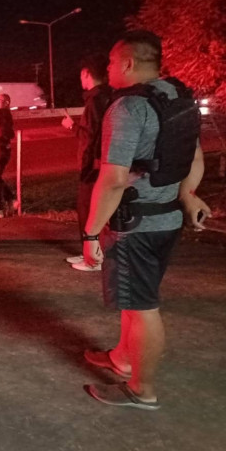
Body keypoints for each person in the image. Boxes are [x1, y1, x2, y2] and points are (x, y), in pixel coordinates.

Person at [81, 30, 211, 410]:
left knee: (143, 307)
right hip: (167, 219)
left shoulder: (127, 108)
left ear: (128, 63)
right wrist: (187, 194)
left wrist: (90, 234)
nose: (108, 68)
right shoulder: (177, 96)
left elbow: (113, 180)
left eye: (110, 62)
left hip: (134, 226)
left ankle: (142, 389)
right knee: (136, 297)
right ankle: (123, 357)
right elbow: (194, 156)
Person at [61, 54, 113, 271]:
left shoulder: (95, 101)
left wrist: (71, 126)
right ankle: (88, 252)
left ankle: (93, 257)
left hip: (92, 165)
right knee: (92, 208)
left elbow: (89, 136)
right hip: (100, 163)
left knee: (87, 209)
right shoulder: (106, 96)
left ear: (86, 74)